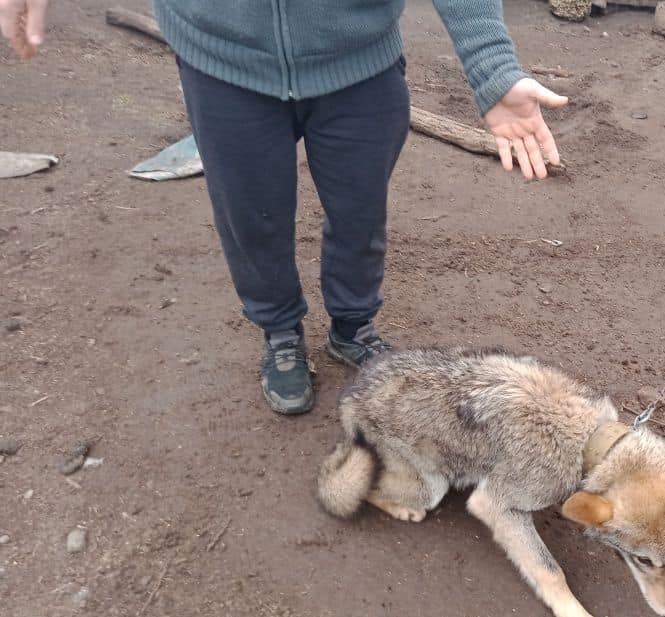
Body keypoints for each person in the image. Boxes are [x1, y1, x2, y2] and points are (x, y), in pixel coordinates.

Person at [1, 0, 566, 415]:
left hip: (358, 61)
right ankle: (280, 334)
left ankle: (352, 326)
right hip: (223, 61)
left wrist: (492, 65)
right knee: (252, 217)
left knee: (360, 211)